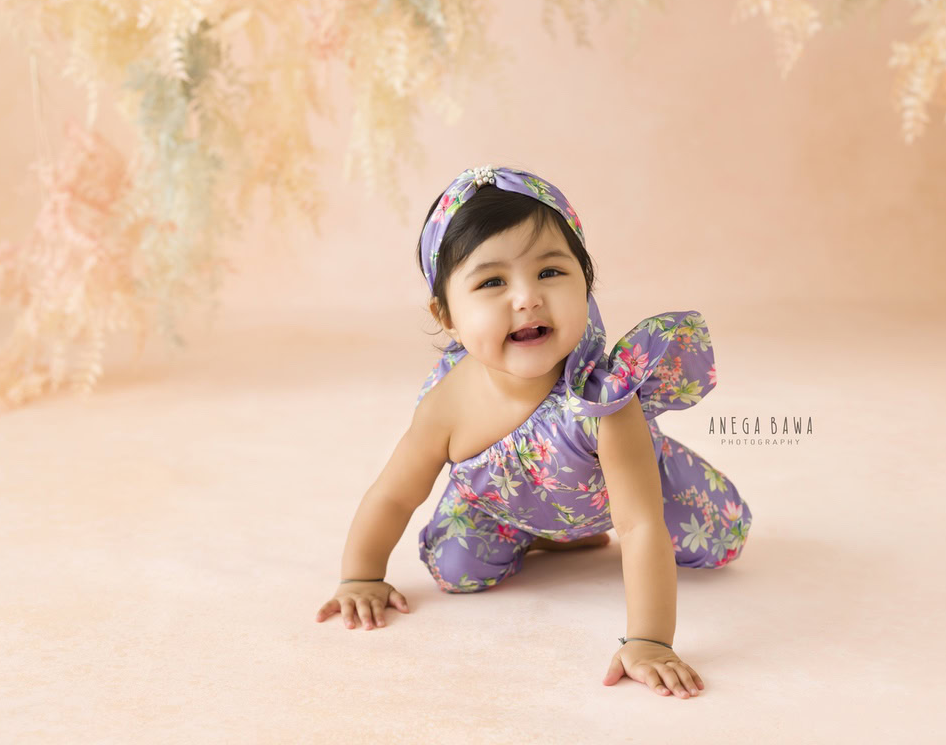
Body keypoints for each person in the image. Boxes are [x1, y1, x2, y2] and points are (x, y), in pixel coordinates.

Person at [315, 165, 752, 699]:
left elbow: (638, 526)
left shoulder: (603, 401)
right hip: (506, 504)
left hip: (638, 491)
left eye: (550, 273)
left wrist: (650, 640)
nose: (526, 298)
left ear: (585, 284)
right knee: (454, 570)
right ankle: (543, 535)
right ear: (446, 314)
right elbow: (393, 494)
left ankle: (583, 526)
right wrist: (360, 576)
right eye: (492, 282)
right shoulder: (448, 404)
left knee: (722, 536)